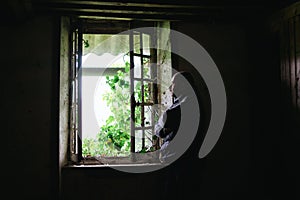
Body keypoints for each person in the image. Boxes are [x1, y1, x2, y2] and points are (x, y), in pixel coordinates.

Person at [154, 71, 199, 200]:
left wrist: (158, 126)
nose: (169, 88)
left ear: (183, 85)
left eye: (173, 83)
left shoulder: (186, 103)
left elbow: (161, 129)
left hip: (181, 163)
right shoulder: (188, 101)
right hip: (183, 161)